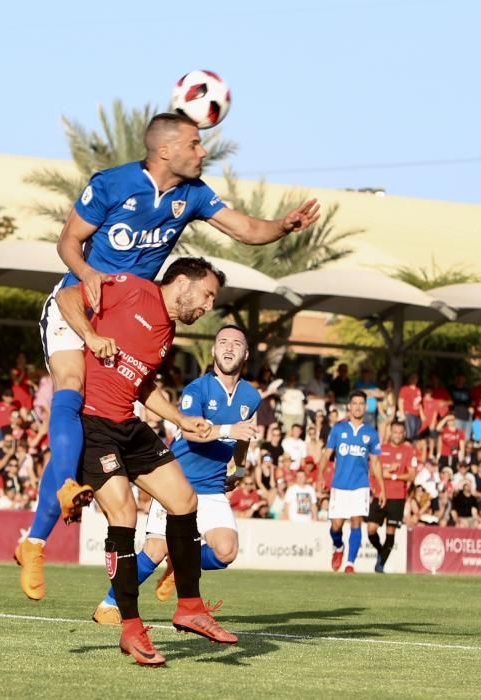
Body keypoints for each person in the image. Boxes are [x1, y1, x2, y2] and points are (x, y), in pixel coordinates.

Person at [31, 112, 320, 539]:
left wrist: (282, 226)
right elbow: (67, 242)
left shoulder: (194, 195)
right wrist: (88, 274)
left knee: (99, 414)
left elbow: (244, 229)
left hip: (129, 320)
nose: (204, 151)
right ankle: (61, 501)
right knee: (70, 389)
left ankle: (36, 538)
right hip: (81, 302)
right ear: (165, 150)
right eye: (195, 144)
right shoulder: (111, 183)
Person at [16, 257, 237, 665]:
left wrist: (181, 419)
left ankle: (190, 607)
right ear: (182, 283)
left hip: (128, 424)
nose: (208, 306)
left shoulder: (167, 332)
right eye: (206, 295)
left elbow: (143, 384)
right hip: (93, 424)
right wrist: (89, 335)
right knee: (123, 515)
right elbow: (66, 297)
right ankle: (131, 628)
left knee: (185, 501)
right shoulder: (135, 288)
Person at [92, 325, 260, 625]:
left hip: (211, 488)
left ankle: (179, 563)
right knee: (155, 549)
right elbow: (190, 432)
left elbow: (243, 434)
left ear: (246, 354)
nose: (229, 347)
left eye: (236, 343)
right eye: (222, 342)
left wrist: (239, 467)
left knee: (226, 552)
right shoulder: (197, 389)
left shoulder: (251, 396)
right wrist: (227, 431)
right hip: (176, 483)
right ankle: (109, 602)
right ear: (213, 351)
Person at [318, 391, 383, 574]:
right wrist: (319, 476)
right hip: (339, 485)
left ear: (365, 407)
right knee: (336, 526)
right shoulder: (338, 429)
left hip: (360, 485)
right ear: (349, 406)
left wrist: (382, 489)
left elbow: (376, 463)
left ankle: (350, 564)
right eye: (354, 403)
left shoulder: (371, 432)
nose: (357, 406)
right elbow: (326, 455)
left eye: (361, 403)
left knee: (356, 521)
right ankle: (338, 546)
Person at [369, 422, 416, 573]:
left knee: (391, 531)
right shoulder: (381, 449)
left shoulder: (409, 451)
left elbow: (412, 475)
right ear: (391, 432)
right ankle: (380, 550)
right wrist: (388, 470)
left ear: (404, 434)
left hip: (397, 497)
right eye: (395, 432)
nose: (397, 435)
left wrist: (393, 475)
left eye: (400, 432)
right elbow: (373, 471)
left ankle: (380, 565)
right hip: (380, 494)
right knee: (371, 529)